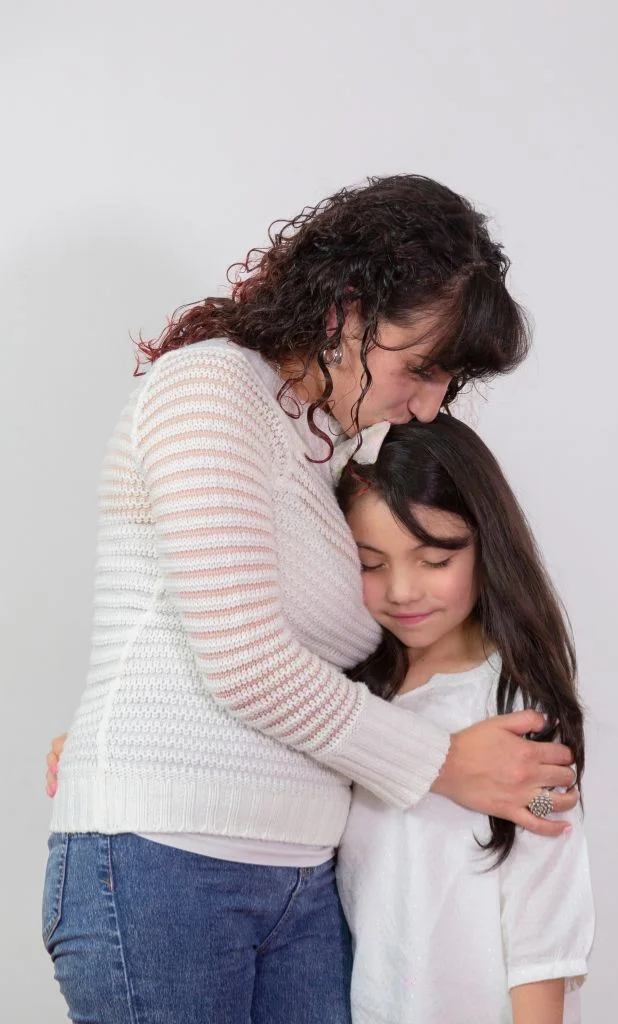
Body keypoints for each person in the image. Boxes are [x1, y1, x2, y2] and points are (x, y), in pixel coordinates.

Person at [42, 174, 580, 1024]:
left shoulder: (324, 445)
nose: (432, 403)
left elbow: (326, 647)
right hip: (168, 861)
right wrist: (446, 764)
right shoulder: (208, 389)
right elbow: (245, 658)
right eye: (425, 366)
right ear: (346, 312)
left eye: (452, 380)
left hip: (301, 874)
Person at [333, 414, 594, 1024]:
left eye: (433, 559)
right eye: (371, 563)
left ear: (485, 544)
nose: (402, 590)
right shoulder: (349, 704)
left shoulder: (516, 714)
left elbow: (543, 912)